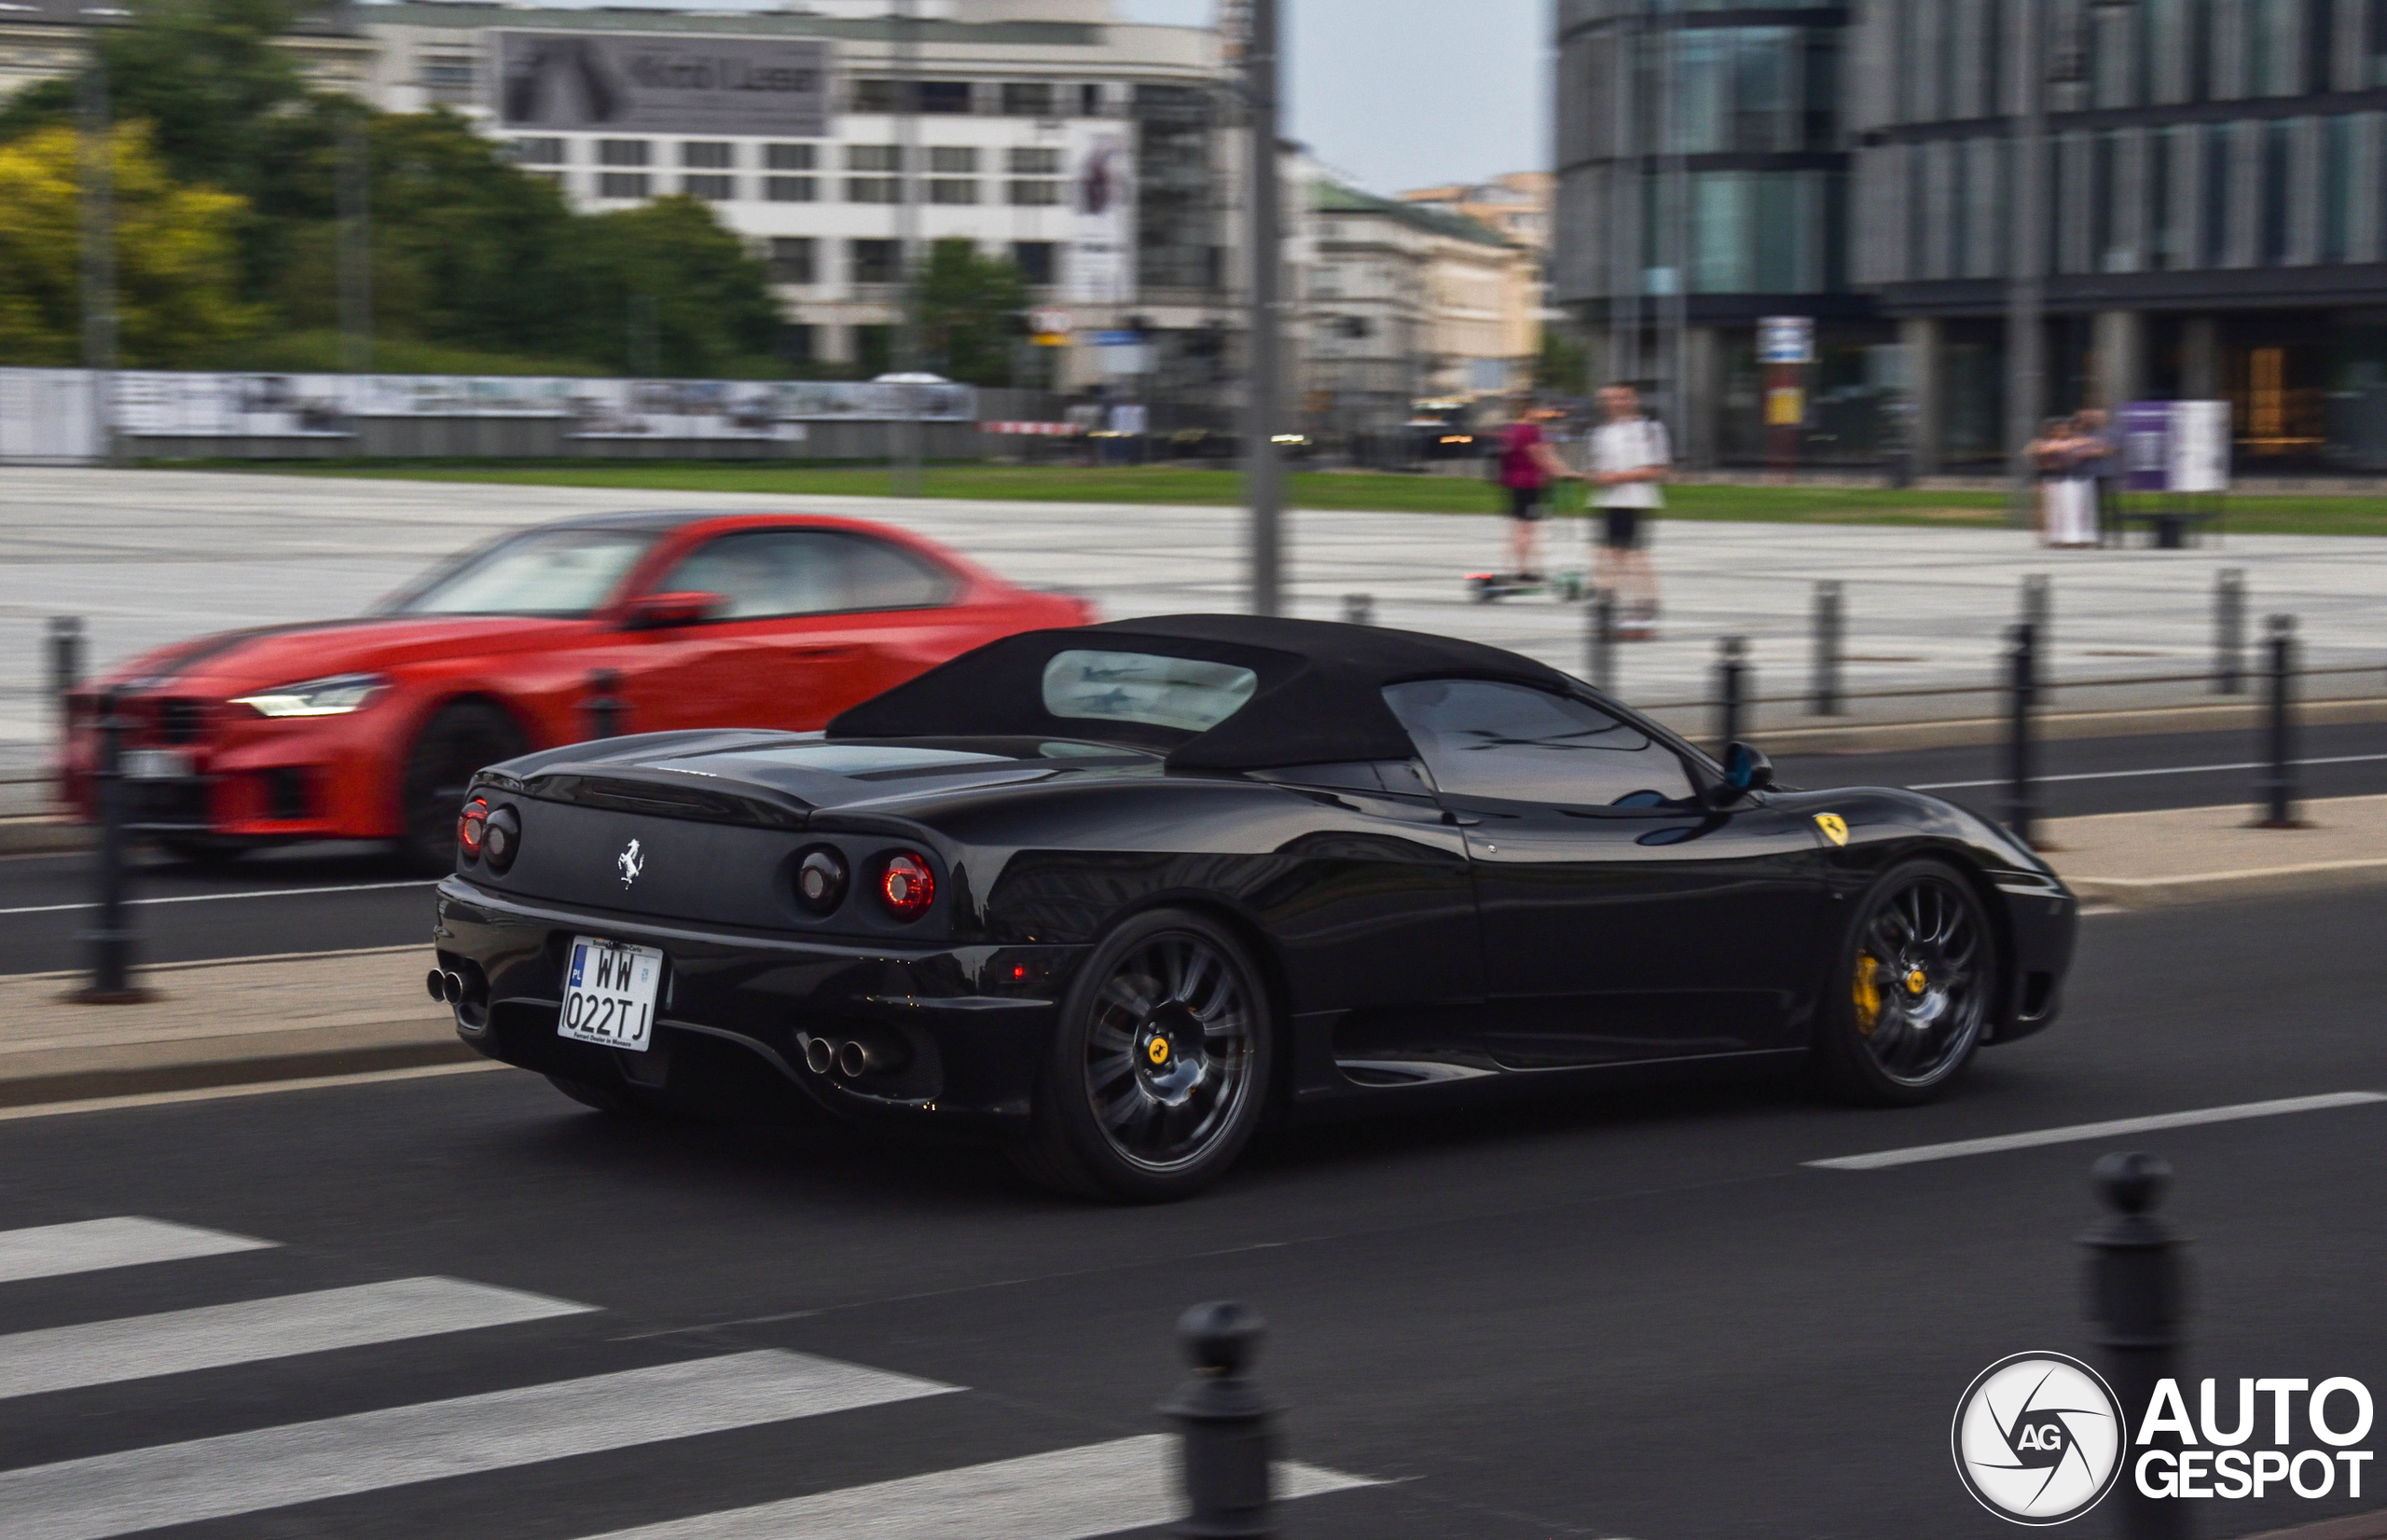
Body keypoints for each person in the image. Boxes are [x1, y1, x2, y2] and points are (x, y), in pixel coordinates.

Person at [1589, 383, 1670, 639]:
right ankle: (1611, 612)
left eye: (1622, 397)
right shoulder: (1601, 433)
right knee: (1608, 559)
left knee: (1637, 558)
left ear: (1633, 399)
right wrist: (1597, 477)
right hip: (1608, 502)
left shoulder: (1649, 430)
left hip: (1637, 501)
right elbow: (1596, 469)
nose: (1616, 403)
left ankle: (1643, 612)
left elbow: (1658, 469)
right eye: (1610, 398)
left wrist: (1621, 477)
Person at [1496, 403, 1585, 581]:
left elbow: (1542, 454)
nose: (1541, 414)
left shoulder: (1511, 430)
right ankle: (1524, 570)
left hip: (1514, 482)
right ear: (1528, 411)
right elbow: (1540, 455)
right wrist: (1562, 472)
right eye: (1538, 410)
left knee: (1520, 527)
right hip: (1528, 483)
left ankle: (1518, 567)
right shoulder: (1529, 431)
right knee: (1526, 528)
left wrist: (1559, 469)